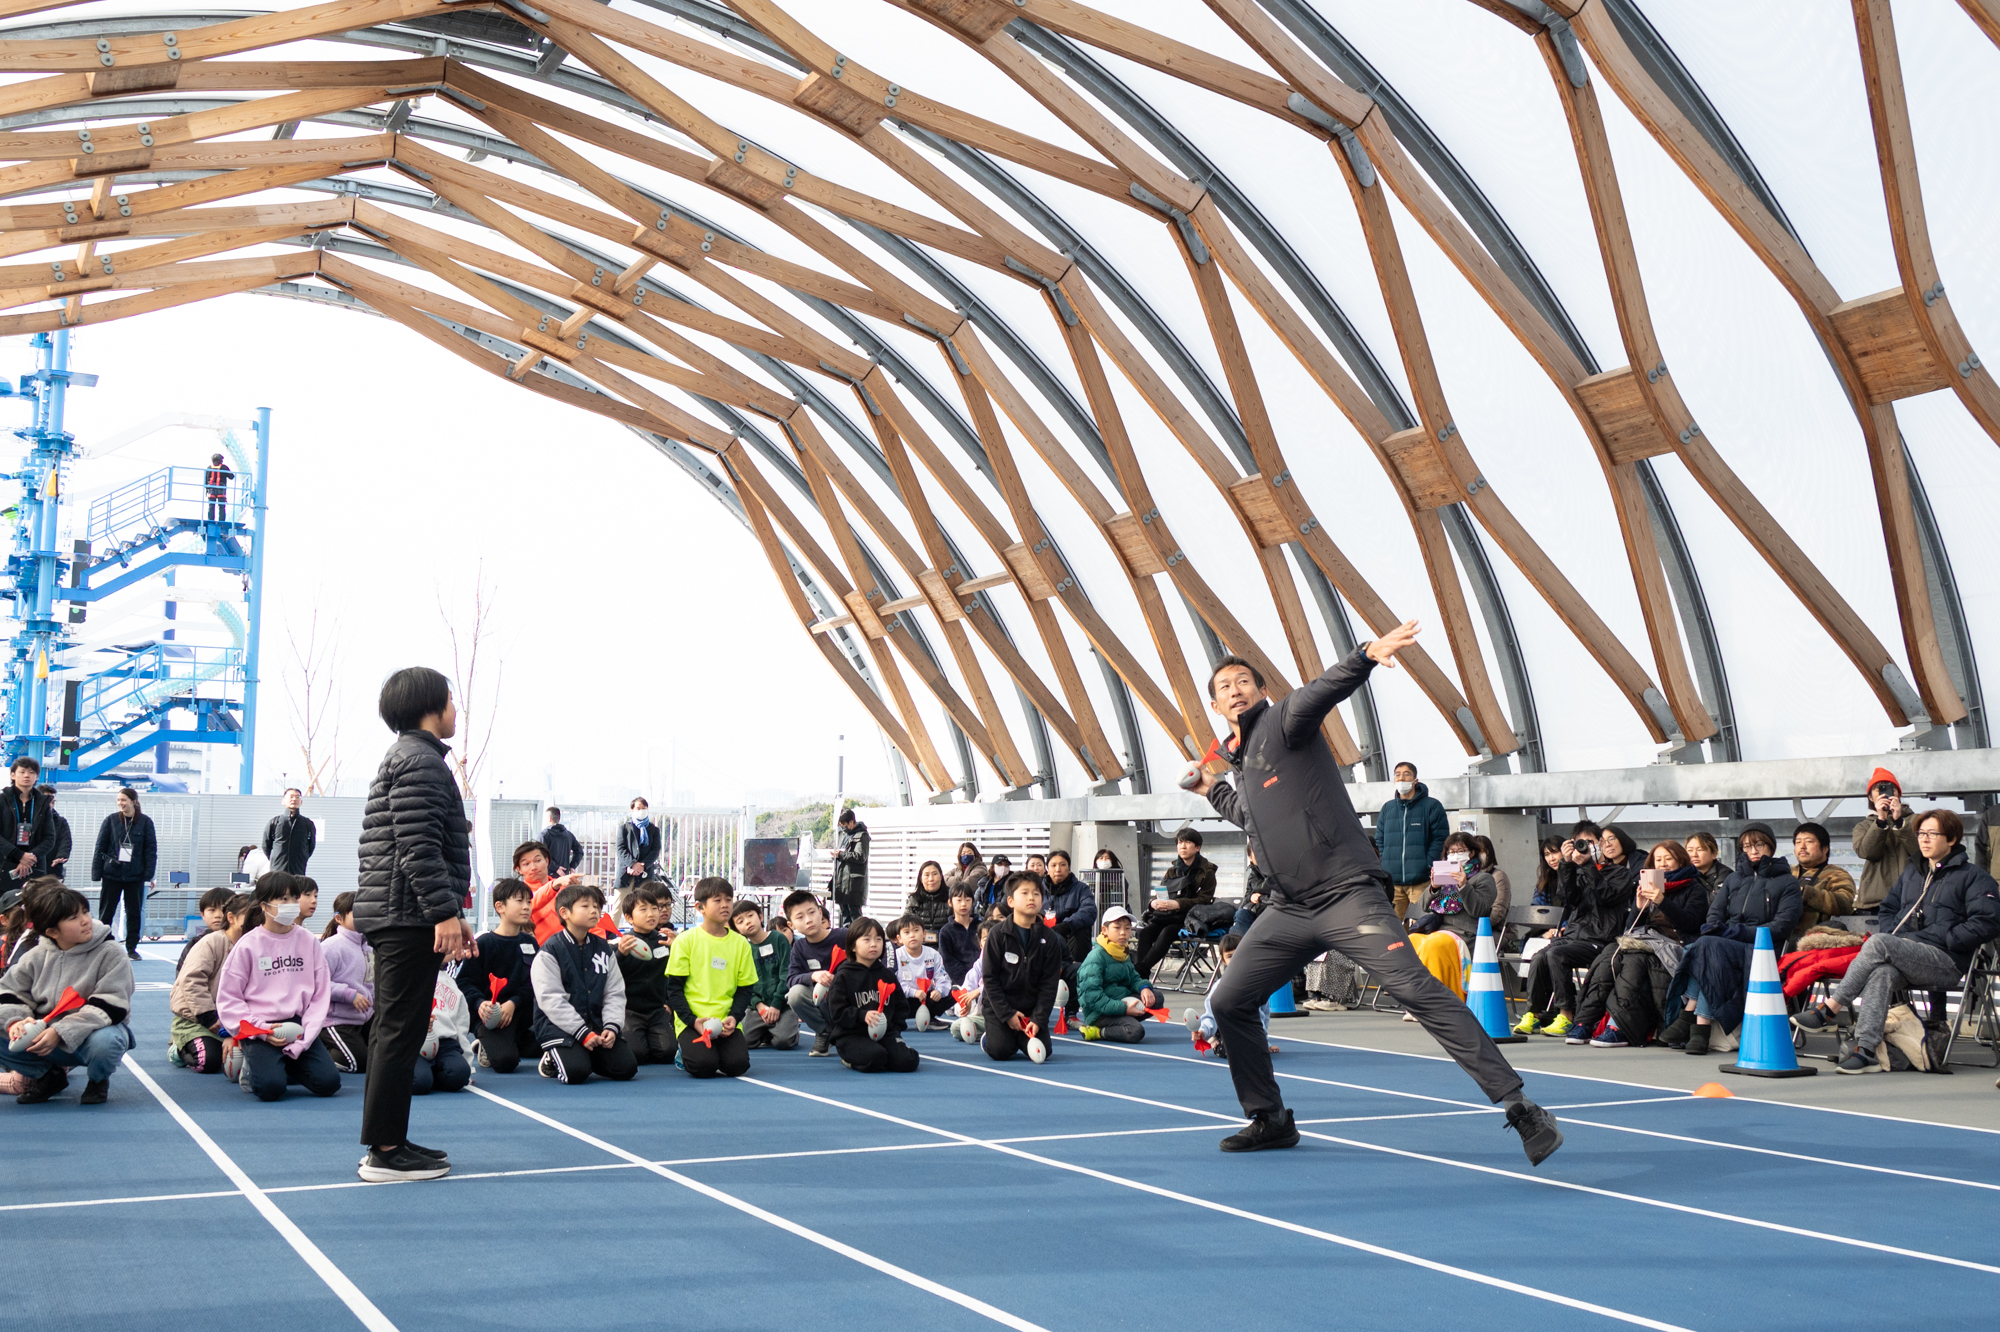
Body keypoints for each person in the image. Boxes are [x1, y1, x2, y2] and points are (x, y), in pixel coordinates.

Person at [1188, 628, 1561, 1162]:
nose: (1235, 689)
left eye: (1244, 680)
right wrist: (1214, 791)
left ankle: (1521, 1107)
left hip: (1348, 896)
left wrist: (1364, 656)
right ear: (1215, 703)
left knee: (1414, 988)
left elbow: (1323, 689)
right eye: (1225, 685)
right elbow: (1251, 817)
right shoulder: (1243, 765)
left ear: (1260, 689)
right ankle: (1268, 1118)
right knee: (1227, 1001)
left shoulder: (1282, 722)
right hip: (1288, 908)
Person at [353, 665, 472, 1183]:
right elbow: (418, 846)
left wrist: (453, 913)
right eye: (451, 699)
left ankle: (390, 1140)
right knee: (398, 1031)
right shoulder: (421, 760)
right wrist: (444, 911)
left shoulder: (411, 756)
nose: (455, 710)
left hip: (402, 910)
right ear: (431, 704)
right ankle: (383, 1150)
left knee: (395, 1031)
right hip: (406, 915)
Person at [1796, 809, 2000, 1072]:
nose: (1924, 840)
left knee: (1880, 943)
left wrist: (1948, 938)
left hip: (1946, 960)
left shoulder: (1973, 876)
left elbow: (1987, 921)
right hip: (1909, 953)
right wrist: (1898, 936)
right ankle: (1866, 1049)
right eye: (1921, 834)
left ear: (1951, 839)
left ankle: (1830, 1009)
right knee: (1882, 972)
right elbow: (1888, 908)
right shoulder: (1913, 873)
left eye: (1932, 834)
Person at [1660, 823, 1802, 1055]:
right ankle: (1699, 1028)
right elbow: (1714, 913)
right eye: (1746, 846)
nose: (1752, 850)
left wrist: (1733, 932)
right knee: (1707, 948)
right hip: (1727, 946)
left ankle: (1690, 1018)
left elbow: (1780, 927)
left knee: (1704, 946)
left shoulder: (1787, 882)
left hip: (1761, 948)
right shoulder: (1735, 879)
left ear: (1771, 846)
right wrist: (1718, 928)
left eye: (1758, 844)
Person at [0, 885, 133, 1105]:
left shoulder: (111, 953)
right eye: (73, 917)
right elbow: (9, 992)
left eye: (85, 911)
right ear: (52, 932)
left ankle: (98, 1080)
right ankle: (48, 1076)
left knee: (107, 1040)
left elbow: (112, 1004)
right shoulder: (35, 956)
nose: (85, 920)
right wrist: (16, 1021)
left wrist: (60, 1032)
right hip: (43, 1037)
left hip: (89, 1036)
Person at [1568, 841, 1707, 1047]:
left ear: (1680, 860)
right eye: (1658, 860)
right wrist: (1639, 907)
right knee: (1609, 954)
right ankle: (1585, 1021)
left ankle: (1618, 1026)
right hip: (1645, 941)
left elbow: (1690, 924)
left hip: (1673, 947)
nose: (1663, 864)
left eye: (1668, 859)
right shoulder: (1648, 885)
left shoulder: (1693, 887)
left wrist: (1663, 902)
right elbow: (1629, 930)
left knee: (1634, 961)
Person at [216, 874, 339, 1103]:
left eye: (294, 898)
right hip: (259, 1026)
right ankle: (252, 1066)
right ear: (264, 906)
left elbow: (320, 995)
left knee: (328, 1083)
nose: (290, 905)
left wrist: (305, 1037)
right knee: (270, 1089)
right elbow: (229, 998)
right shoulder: (248, 945)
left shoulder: (308, 941)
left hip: (297, 1024)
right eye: (282, 899)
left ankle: (282, 1062)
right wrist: (261, 1031)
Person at [1515, 825, 1636, 1036]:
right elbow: (1567, 898)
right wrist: (1566, 864)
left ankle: (1566, 1014)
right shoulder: (1578, 871)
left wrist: (1589, 865)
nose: (1585, 847)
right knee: (1539, 957)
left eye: (1589, 842)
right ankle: (1533, 1013)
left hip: (1600, 938)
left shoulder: (1620, 873)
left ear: (1599, 844)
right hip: (1574, 935)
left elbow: (1605, 896)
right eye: (1579, 843)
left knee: (1556, 954)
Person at [532, 883, 637, 1084]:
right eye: (586, 906)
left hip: (596, 1024)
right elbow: (551, 1000)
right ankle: (553, 1055)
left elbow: (614, 992)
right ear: (565, 913)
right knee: (576, 1073)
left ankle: (584, 1052)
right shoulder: (550, 951)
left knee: (626, 1068)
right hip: (559, 1027)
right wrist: (582, 1032)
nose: (594, 911)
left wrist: (611, 1027)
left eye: (596, 906)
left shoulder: (604, 949)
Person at [665, 877, 758, 1078]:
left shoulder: (741, 944)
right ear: (700, 907)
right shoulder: (685, 941)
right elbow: (674, 989)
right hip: (694, 1019)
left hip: (726, 1020)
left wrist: (734, 1017)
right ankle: (684, 1051)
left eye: (728, 899)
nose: (725, 905)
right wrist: (692, 1021)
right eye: (717, 900)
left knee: (737, 1066)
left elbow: (745, 989)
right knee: (703, 1066)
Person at [979, 872, 1065, 1064]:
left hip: (1030, 1009)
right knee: (1001, 1051)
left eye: (1036, 894)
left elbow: (1049, 984)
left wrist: (1038, 1019)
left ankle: (1017, 1035)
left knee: (1045, 1052)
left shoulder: (1050, 939)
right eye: (1024, 893)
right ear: (1010, 901)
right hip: (999, 1007)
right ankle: (992, 1037)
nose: (1031, 898)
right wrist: (1007, 1014)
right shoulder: (997, 934)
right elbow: (989, 978)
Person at [1403, 832, 1498, 1005]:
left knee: (1434, 944)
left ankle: (1432, 1003)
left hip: (1465, 934)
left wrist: (1463, 886)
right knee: (1412, 940)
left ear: (1471, 853)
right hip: (1440, 930)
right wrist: (1434, 887)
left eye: (1460, 850)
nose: (1454, 855)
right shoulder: (1445, 878)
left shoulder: (1483, 878)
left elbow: (1480, 910)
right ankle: (1416, 1001)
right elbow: (1423, 906)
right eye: (1450, 852)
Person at [458, 879, 538, 1074]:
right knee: (505, 1062)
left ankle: (512, 1040)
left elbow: (537, 983)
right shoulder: (484, 943)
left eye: (528, 901)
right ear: (500, 907)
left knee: (550, 1044)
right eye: (519, 901)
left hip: (521, 1012)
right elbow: (464, 982)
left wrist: (514, 1002)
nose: (526, 907)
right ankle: (486, 1042)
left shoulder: (531, 943)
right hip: (490, 1016)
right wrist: (479, 1004)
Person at [822, 915, 920, 1073]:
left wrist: (892, 1029)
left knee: (907, 1061)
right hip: (851, 1035)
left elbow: (901, 1006)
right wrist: (862, 1015)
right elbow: (836, 1012)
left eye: (878, 939)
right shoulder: (844, 975)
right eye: (866, 939)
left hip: (883, 1033)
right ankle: (849, 1058)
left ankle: (892, 1050)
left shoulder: (887, 974)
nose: (874, 944)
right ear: (853, 946)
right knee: (875, 1057)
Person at [168, 891, 249, 1074]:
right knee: (209, 1062)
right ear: (233, 918)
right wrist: (208, 1016)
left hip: (235, 1020)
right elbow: (190, 980)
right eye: (250, 916)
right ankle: (179, 1049)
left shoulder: (254, 945)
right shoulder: (211, 942)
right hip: (199, 1020)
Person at [1133, 829, 1217, 978]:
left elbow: (1204, 900)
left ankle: (1139, 972)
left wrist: (1177, 904)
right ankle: (1141, 977)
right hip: (1167, 915)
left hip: (1190, 919)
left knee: (1168, 932)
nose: (1182, 846)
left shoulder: (1207, 872)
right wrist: (1153, 904)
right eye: (1179, 842)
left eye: (1187, 842)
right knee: (1146, 932)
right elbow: (1161, 894)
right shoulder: (1172, 870)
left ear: (1197, 847)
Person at [90, 786, 157, 961]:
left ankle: (132, 947)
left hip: (135, 875)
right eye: (118, 800)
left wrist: (148, 874)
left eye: (123, 800)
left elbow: (150, 850)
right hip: (112, 873)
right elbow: (100, 847)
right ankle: (101, 945)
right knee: (106, 911)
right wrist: (97, 872)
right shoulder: (111, 820)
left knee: (134, 912)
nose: (120, 803)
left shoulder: (145, 822)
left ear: (133, 802)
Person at [1077, 905, 1162, 1043]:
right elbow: (1092, 998)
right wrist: (1124, 1009)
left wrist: (1144, 987)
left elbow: (1133, 978)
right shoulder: (1096, 957)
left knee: (1156, 998)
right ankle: (1097, 1031)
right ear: (1104, 930)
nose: (1123, 932)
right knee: (1135, 1031)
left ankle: (1123, 1021)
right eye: (1117, 928)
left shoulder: (1122, 952)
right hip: (1099, 1014)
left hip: (1120, 1003)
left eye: (1127, 928)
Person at [1182, 933, 1273, 1058]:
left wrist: (1265, 1043)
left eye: (1238, 954)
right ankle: (1214, 1039)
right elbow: (1210, 1015)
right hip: (1228, 1030)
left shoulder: (1257, 986)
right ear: (1223, 960)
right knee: (1232, 1052)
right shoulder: (1219, 988)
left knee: (1253, 1052)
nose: (1235, 959)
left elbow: (1263, 1017)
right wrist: (1203, 1032)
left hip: (1249, 1032)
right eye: (1230, 956)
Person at [1376, 760, 1448, 921]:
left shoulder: (1432, 806)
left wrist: (1427, 864)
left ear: (1415, 780)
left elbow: (1440, 839)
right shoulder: (1387, 808)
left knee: (1421, 925)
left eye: (1406, 774)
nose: (1401, 778)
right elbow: (1379, 839)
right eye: (1397, 775)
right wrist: (1384, 864)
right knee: (1393, 928)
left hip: (1421, 880)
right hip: (1392, 882)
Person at [615, 883, 676, 1064]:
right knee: (637, 1054)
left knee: (667, 1053)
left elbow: (678, 977)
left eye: (654, 909)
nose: (651, 914)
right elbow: (611, 978)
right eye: (643, 910)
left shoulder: (666, 941)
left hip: (658, 1010)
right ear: (629, 917)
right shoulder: (623, 944)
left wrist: (676, 950)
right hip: (630, 1011)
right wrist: (621, 956)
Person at [781, 890, 847, 1057]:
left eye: (811, 913)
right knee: (795, 994)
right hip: (821, 1000)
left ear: (820, 912)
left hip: (847, 998)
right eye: (800, 917)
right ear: (792, 925)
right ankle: (824, 1032)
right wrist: (813, 976)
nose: (808, 920)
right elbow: (791, 979)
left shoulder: (844, 936)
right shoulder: (799, 947)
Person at [319, 893, 374, 1073]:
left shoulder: (370, 946)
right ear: (339, 918)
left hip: (365, 1018)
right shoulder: (331, 946)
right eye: (356, 912)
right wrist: (350, 995)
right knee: (358, 1063)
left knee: (384, 1056)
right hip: (337, 1021)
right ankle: (320, 1052)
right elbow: (318, 984)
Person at [732, 899, 797, 1050]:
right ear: (737, 929)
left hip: (783, 1004)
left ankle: (783, 1029)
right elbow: (743, 983)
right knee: (744, 1041)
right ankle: (767, 1031)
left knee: (783, 1041)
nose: (747, 922)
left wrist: (776, 1004)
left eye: (750, 916)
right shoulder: (742, 948)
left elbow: (786, 974)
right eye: (740, 921)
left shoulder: (778, 939)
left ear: (760, 917)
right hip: (756, 1008)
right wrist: (759, 1005)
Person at [1852, 769, 1920, 911]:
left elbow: (1920, 852)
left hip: (1912, 897)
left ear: (1899, 794)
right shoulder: (1863, 826)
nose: (1885, 794)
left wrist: (1900, 822)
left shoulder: (1917, 821)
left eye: (1891, 789)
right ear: (1871, 797)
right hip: (1875, 900)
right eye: (1879, 790)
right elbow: (1867, 852)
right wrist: (1881, 821)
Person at [523, 841, 613, 945]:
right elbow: (531, 902)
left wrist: (599, 945)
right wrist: (555, 884)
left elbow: (588, 919)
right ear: (518, 869)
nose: (533, 867)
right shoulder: (518, 894)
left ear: (547, 861)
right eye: (526, 864)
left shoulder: (565, 888)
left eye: (538, 860)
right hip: (540, 953)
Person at [412, 969, 472, 1096]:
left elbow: (461, 1024)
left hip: (444, 1043)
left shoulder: (450, 982)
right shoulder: (406, 974)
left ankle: (430, 1075)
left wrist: (467, 1061)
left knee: (460, 1074)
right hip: (414, 1043)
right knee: (420, 1083)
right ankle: (423, 1075)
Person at [1792, 822, 1855, 937]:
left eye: (1809, 841)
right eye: (1798, 842)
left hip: (1816, 942)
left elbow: (1844, 904)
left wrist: (1805, 893)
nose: (1802, 846)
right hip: (1781, 939)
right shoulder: (1786, 872)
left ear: (1825, 848)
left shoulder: (1837, 874)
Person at [1, 758, 56, 888]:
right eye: (22, 772)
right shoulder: (2, 801)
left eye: (31, 772)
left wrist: (29, 859)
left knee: (35, 905)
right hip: (4, 863)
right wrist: (20, 856)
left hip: (34, 866)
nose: (26, 775)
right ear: (13, 775)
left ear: (36, 777)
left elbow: (49, 838)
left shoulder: (43, 803)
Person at [889, 915, 949, 1030]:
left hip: (927, 999)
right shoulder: (896, 956)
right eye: (906, 932)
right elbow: (894, 983)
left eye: (916, 930)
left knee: (953, 992)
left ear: (924, 934)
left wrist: (939, 990)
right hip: (905, 1000)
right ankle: (897, 1019)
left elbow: (943, 979)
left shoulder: (933, 954)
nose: (912, 935)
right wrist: (913, 992)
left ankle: (930, 1017)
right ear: (899, 938)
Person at [1042, 850, 1096, 964]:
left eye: (1062, 865)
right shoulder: (1038, 890)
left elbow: (1089, 910)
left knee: (1081, 929)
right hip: (1045, 933)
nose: (1058, 869)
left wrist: (1067, 925)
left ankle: (1076, 968)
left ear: (1069, 868)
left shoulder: (1081, 888)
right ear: (1047, 869)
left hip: (1071, 934)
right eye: (1053, 865)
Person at [947, 920, 994, 1044]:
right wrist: (966, 1002)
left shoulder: (1005, 960)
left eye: (993, 937)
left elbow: (998, 983)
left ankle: (996, 1034)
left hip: (1002, 1014)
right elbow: (969, 983)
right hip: (983, 1015)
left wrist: (978, 991)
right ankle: (989, 1034)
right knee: (956, 1028)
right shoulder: (980, 962)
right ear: (980, 944)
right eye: (985, 938)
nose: (989, 941)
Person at [177, 887, 236, 973]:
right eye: (212, 910)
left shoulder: (242, 942)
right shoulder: (195, 944)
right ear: (203, 914)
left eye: (224, 910)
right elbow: (182, 976)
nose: (218, 915)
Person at [261, 788, 318, 876]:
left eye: (297, 797)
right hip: (277, 869)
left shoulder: (307, 823)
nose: (294, 799)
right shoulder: (275, 821)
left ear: (301, 802)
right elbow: (266, 845)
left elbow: (311, 846)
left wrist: (302, 857)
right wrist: (275, 857)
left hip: (298, 869)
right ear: (283, 801)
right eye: (291, 797)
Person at [830, 806, 870, 925]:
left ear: (851, 822)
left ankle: (856, 939)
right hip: (843, 881)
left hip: (854, 884)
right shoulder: (846, 836)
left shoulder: (862, 836)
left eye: (844, 825)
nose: (843, 828)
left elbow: (860, 856)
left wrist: (841, 855)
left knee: (854, 915)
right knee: (845, 915)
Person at [937, 885, 981, 986]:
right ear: (950, 903)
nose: (963, 904)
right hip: (959, 983)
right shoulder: (946, 931)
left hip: (982, 982)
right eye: (959, 900)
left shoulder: (981, 927)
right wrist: (966, 983)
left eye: (967, 899)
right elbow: (948, 961)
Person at [617, 799, 661, 892]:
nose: (641, 811)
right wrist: (632, 864)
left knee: (644, 904)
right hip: (625, 875)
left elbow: (655, 850)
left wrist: (642, 866)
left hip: (646, 876)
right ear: (632, 810)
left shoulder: (654, 830)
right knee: (621, 904)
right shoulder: (624, 828)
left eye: (644, 808)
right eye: (638, 808)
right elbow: (621, 849)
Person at [905, 860, 951, 941]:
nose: (931, 879)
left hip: (945, 945)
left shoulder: (951, 897)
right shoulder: (914, 899)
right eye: (926, 875)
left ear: (941, 876)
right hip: (919, 946)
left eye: (935, 874)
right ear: (921, 879)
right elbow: (905, 925)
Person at [38, 785, 70, 882]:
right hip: (31, 867)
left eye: (53, 802)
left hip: (52, 867)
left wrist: (61, 856)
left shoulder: (60, 822)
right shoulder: (28, 820)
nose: (50, 805)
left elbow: (66, 842)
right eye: (47, 801)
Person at [540, 806, 583, 875]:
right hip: (564, 877)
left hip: (547, 877)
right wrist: (572, 866)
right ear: (558, 819)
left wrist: (555, 868)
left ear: (549, 819)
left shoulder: (544, 835)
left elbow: (540, 855)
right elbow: (579, 851)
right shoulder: (569, 835)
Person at [1686, 831, 1727, 899]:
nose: (1694, 855)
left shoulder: (1725, 874)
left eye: (1700, 850)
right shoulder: (1684, 874)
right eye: (1690, 850)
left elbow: (1715, 902)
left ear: (1714, 853)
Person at [1531, 836, 1564, 906]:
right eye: (1547, 854)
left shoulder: (1578, 874)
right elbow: (1536, 906)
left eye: (1554, 852)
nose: (1551, 858)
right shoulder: (1545, 879)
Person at [203, 450, 233, 521]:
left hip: (211, 489)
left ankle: (210, 520)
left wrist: (207, 488)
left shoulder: (209, 468)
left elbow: (205, 481)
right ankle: (222, 520)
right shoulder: (224, 468)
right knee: (222, 506)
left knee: (211, 506)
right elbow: (231, 477)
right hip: (221, 489)